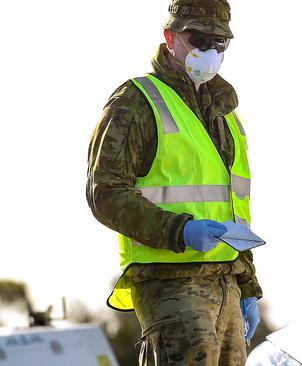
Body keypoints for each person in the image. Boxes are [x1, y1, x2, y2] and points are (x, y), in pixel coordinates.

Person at [86, 0, 263, 364]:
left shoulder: (225, 115)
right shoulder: (136, 102)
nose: (209, 51)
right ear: (170, 36)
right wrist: (179, 230)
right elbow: (104, 193)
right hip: (170, 283)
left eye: (219, 43)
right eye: (198, 39)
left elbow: (233, 208)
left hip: (226, 283)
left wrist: (247, 285)